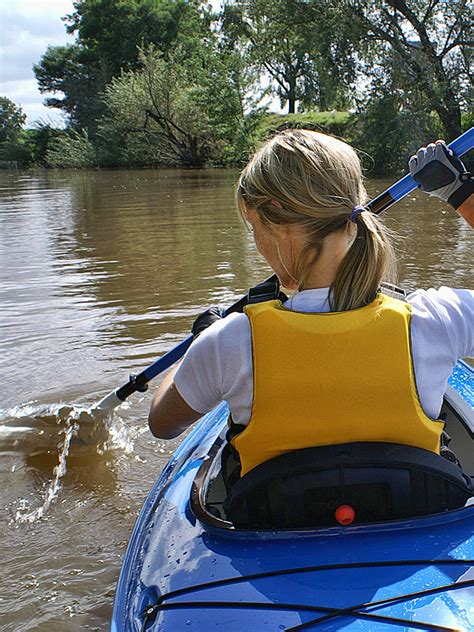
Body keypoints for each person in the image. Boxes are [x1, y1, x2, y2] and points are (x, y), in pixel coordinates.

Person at [149, 130, 473, 483]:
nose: (256, 243)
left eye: (254, 228)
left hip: (271, 523)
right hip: (415, 516)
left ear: (273, 214)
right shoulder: (439, 319)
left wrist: (199, 343)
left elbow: (162, 424)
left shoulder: (229, 343)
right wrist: (461, 194)